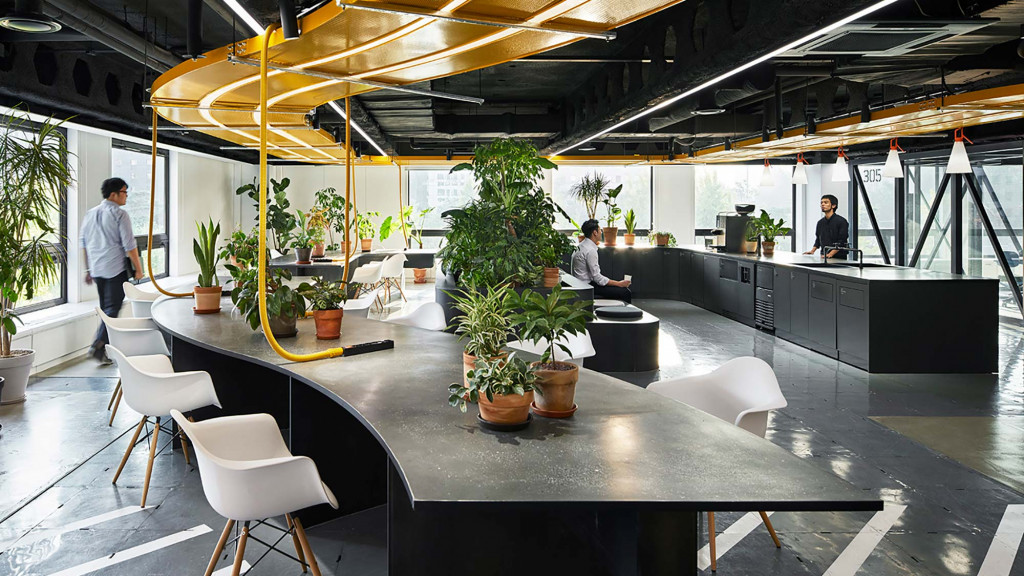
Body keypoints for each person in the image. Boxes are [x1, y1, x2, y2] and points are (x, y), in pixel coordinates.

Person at [81, 177, 144, 364]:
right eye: (124, 192)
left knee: (106, 308)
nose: (126, 196)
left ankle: (104, 351)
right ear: (113, 194)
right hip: (115, 268)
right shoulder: (120, 214)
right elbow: (129, 245)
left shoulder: (90, 214)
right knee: (112, 308)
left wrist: (88, 269)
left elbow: (84, 243)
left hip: (97, 269)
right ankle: (98, 344)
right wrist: (139, 269)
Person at [571, 219, 632, 303]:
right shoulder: (590, 250)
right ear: (595, 233)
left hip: (580, 284)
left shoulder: (581, 246)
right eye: (600, 230)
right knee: (625, 292)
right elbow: (597, 278)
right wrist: (619, 283)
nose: (601, 232)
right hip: (587, 286)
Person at [804, 194, 849, 260]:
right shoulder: (820, 222)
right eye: (821, 203)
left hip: (839, 256)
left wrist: (830, 254)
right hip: (824, 254)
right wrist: (812, 251)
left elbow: (842, 241)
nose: (822, 204)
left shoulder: (842, 221)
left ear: (833, 205)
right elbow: (818, 239)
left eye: (826, 202)